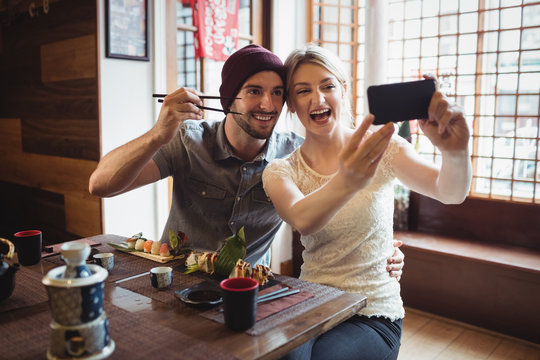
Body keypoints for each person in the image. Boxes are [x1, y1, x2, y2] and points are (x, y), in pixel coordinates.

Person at [88, 44, 405, 274]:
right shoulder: (187, 140)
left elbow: (345, 201)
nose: (268, 104)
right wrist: (158, 133)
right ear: (228, 99)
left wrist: (383, 250)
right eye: (254, 91)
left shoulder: (295, 155)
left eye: (278, 92)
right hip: (175, 278)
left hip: (248, 288)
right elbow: (100, 184)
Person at [262, 45, 472, 360]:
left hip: (373, 310)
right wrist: (348, 180)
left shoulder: (382, 148)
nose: (318, 99)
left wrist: (455, 152)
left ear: (343, 90)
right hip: (310, 301)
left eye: (328, 86)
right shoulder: (280, 171)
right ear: (291, 104)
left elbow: (450, 192)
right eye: (303, 91)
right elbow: (302, 218)